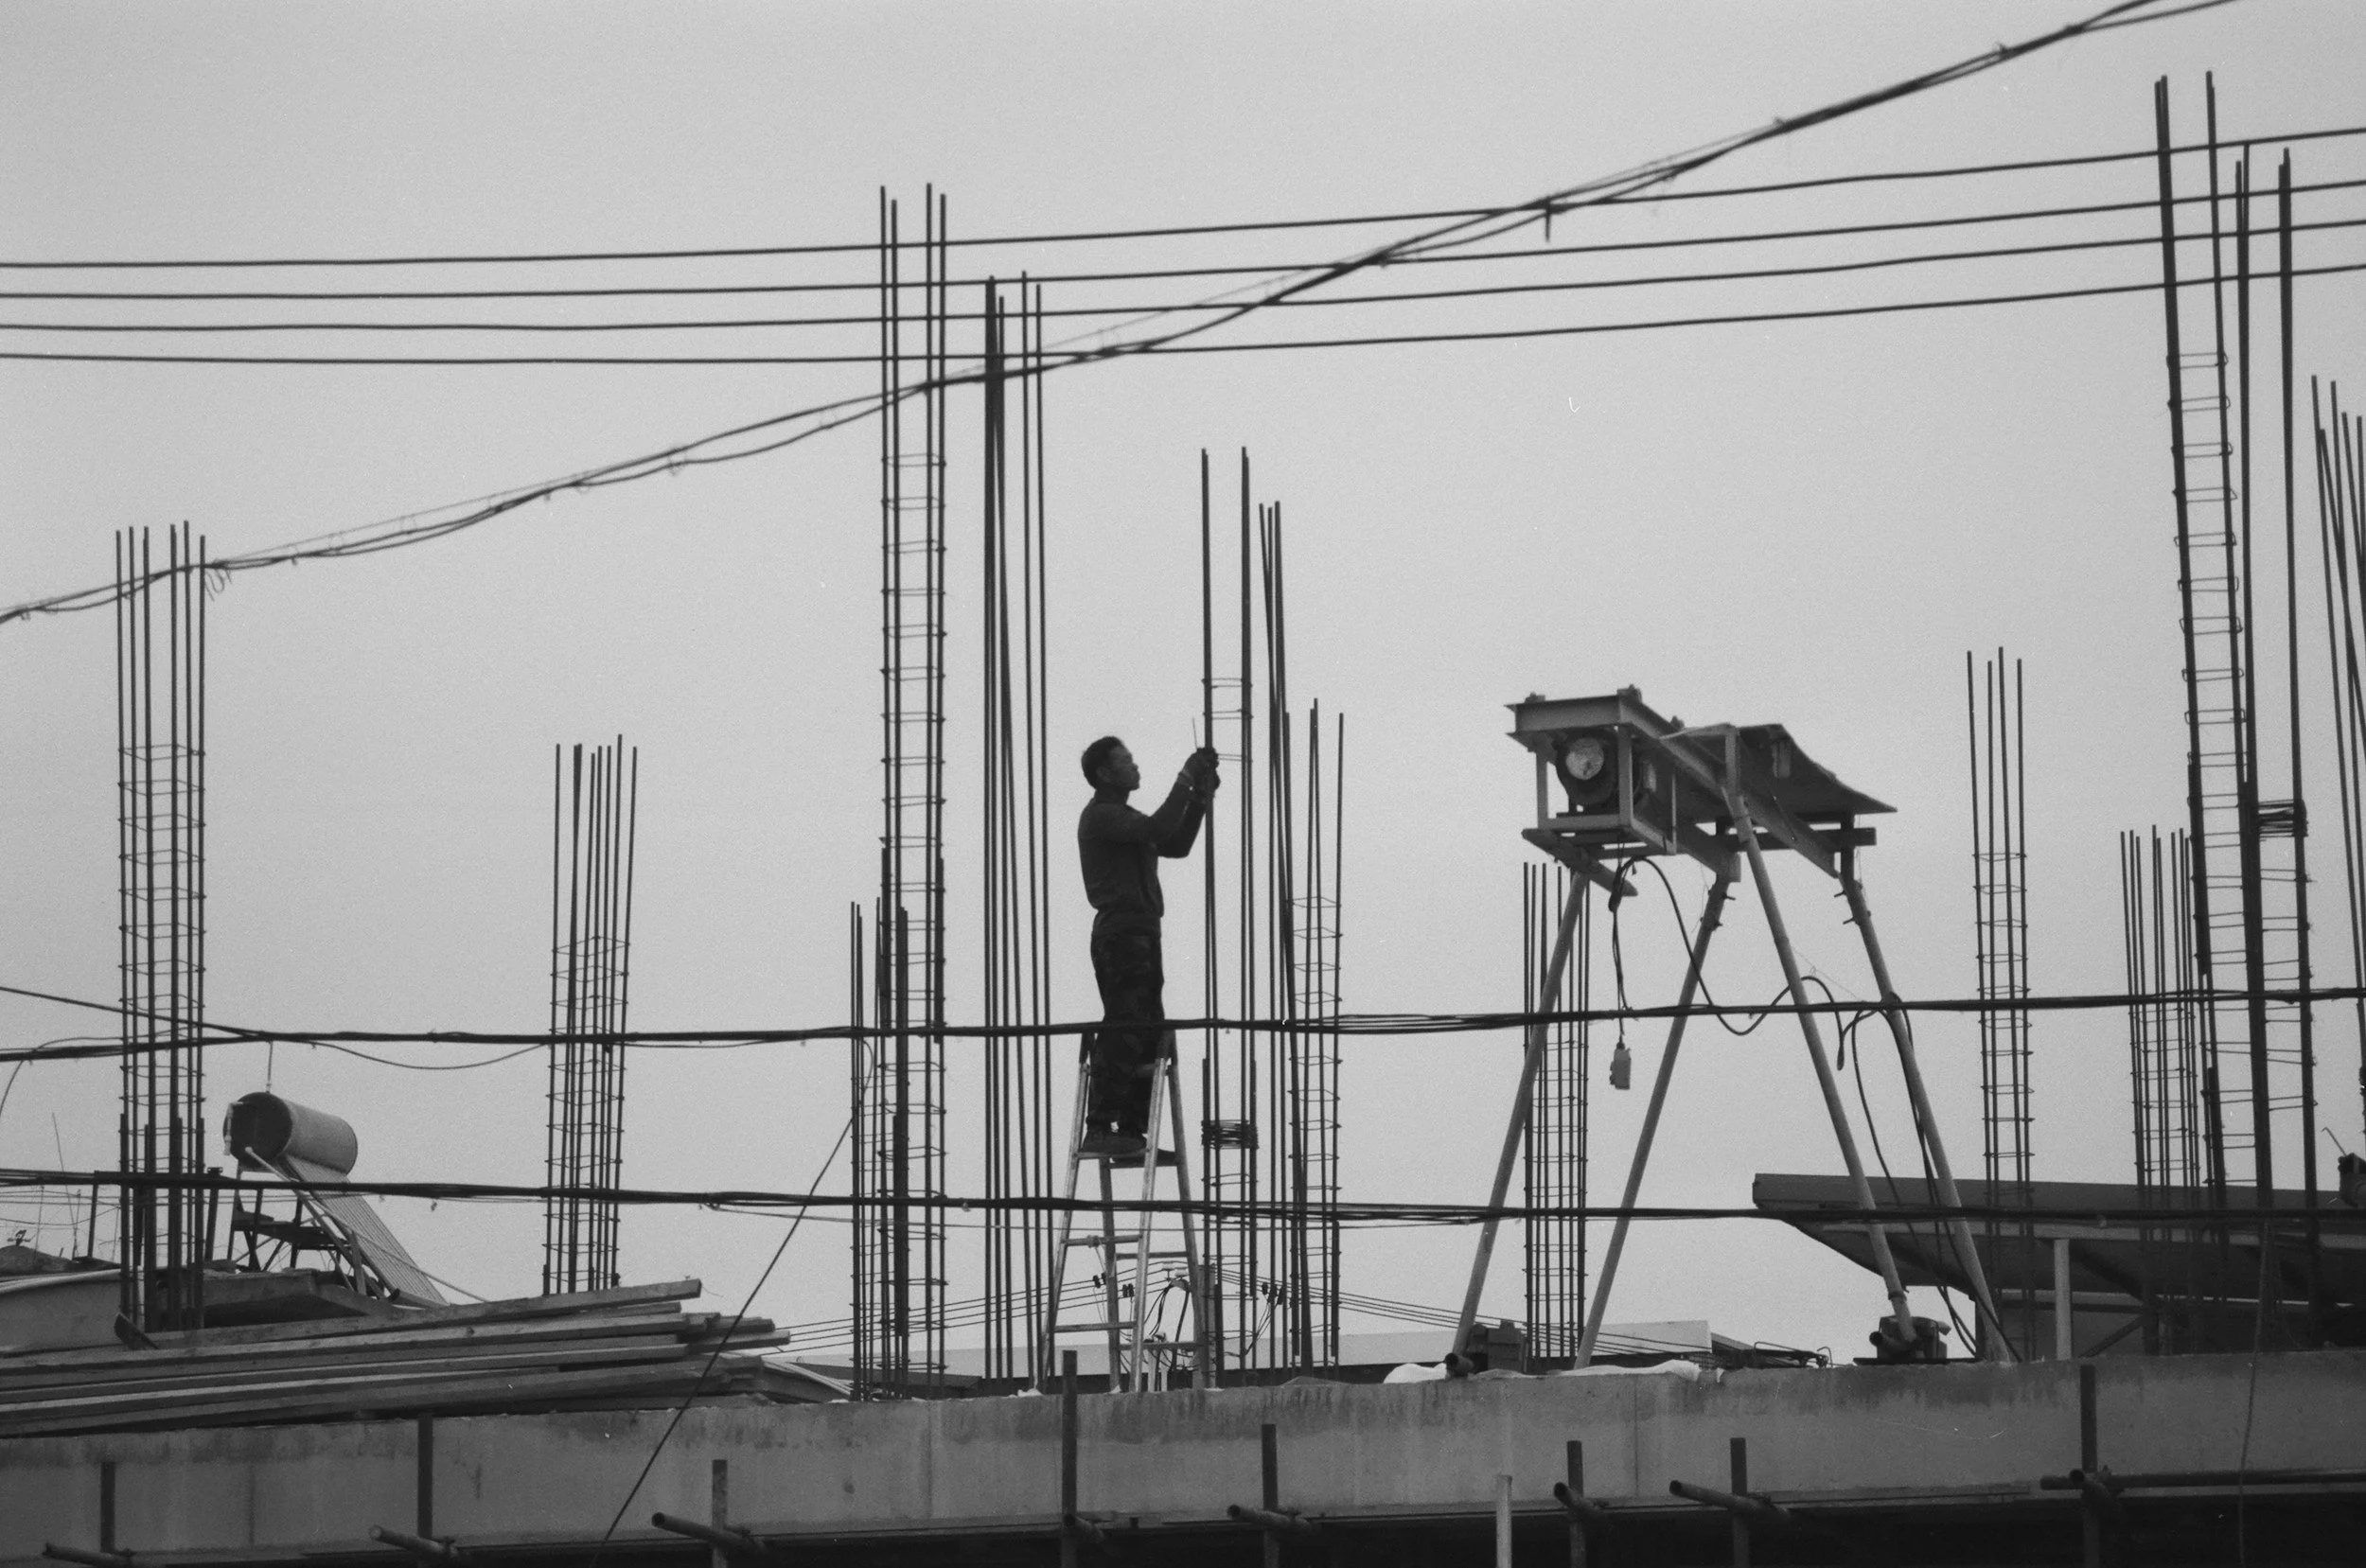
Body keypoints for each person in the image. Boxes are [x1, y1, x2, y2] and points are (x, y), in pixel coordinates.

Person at [1076, 735, 1218, 1158]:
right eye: (1127, 761)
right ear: (1105, 773)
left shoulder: (1124, 818)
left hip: (1141, 933)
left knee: (1147, 1031)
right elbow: (1158, 830)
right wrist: (1186, 778)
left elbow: (1174, 845)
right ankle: (1101, 1127)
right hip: (1122, 935)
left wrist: (1198, 800)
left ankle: (1132, 1131)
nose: (1135, 767)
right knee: (1126, 1023)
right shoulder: (1102, 817)